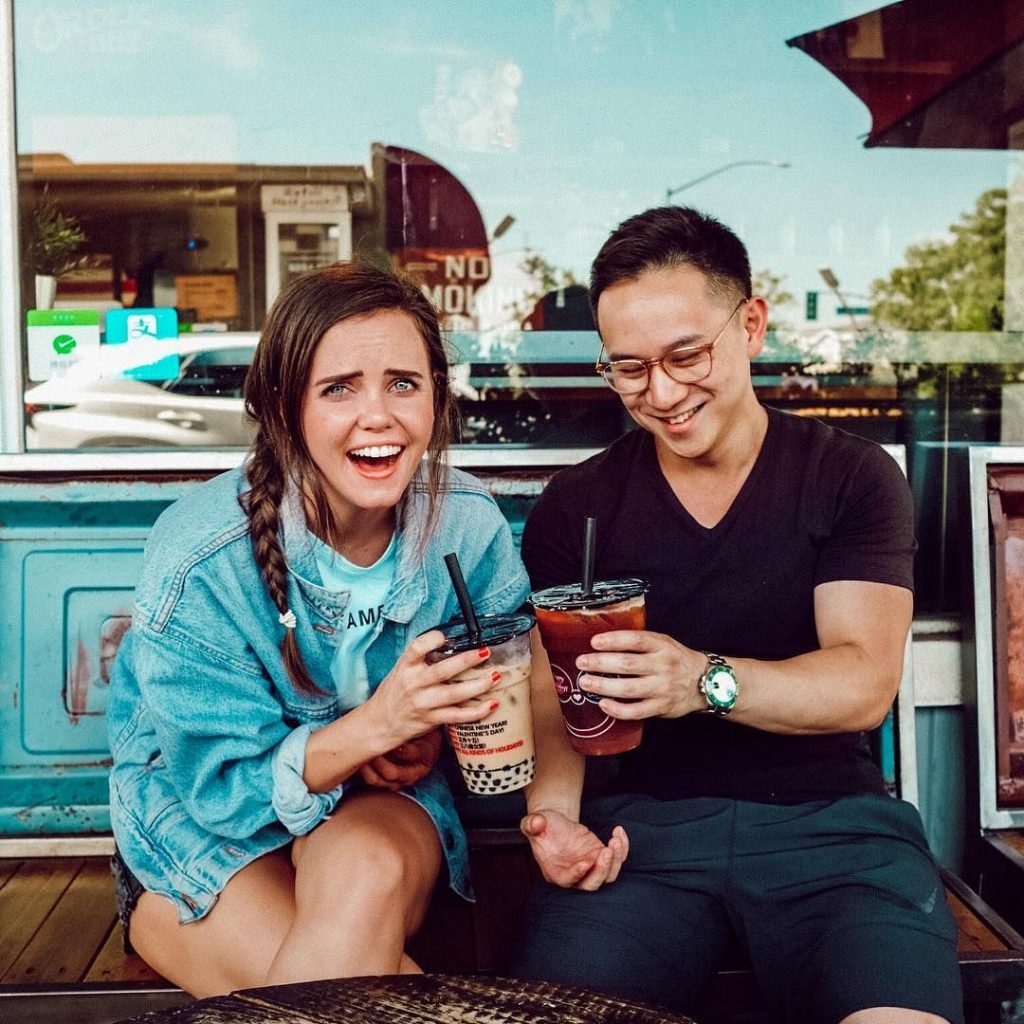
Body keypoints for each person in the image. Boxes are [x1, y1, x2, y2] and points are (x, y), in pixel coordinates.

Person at [510, 206, 963, 1024]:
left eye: (686, 356)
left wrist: (700, 681)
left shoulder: (849, 478)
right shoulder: (577, 506)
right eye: (630, 369)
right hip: (639, 842)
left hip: (834, 832)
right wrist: (555, 818)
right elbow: (555, 691)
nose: (662, 393)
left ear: (751, 325)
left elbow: (863, 683)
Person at [106, 261, 530, 997]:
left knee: (363, 877)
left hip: (375, 810)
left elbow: (515, 685)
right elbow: (221, 792)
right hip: (200, 825)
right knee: (341, 992)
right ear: (283, 405)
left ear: (438, 395)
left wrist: (434, 733)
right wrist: (375, 726)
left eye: (404, 383)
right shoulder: (200, 557)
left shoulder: (467, 525)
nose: (379, 415)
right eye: (339, 388)